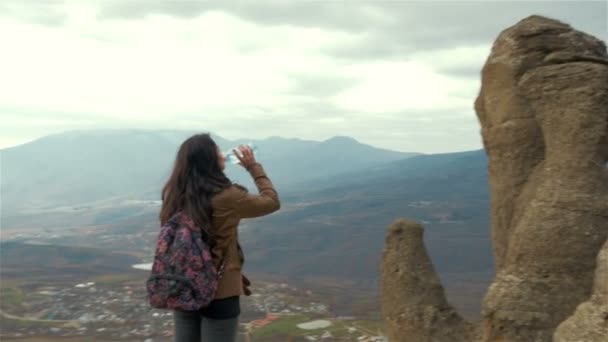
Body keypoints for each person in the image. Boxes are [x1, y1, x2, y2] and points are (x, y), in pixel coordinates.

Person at [159, 133, 280, 342]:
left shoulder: (173, 195)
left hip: (184, 285)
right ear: (210, 161)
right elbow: (271, 201)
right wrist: (253, 167)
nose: (224, 156)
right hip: (220, 289)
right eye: (218, 152)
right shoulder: (227, 196)